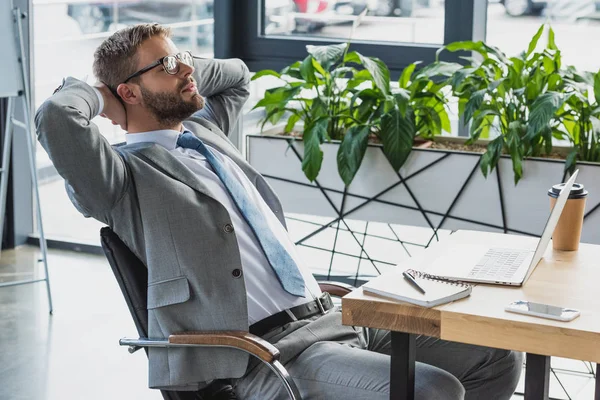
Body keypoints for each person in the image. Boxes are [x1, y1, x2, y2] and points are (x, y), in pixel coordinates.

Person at [35, 23, 522, 400]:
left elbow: (236, 76)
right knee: (432, 390)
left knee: (498, 354)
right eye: (167, 65)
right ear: (129, 93)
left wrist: (174, 66)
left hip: (334, 318)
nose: (187, 69)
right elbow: (58, 117)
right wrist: (99, 94)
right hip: (264, 356)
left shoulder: (206, 136)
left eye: (184, 58)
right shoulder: (119, 179)